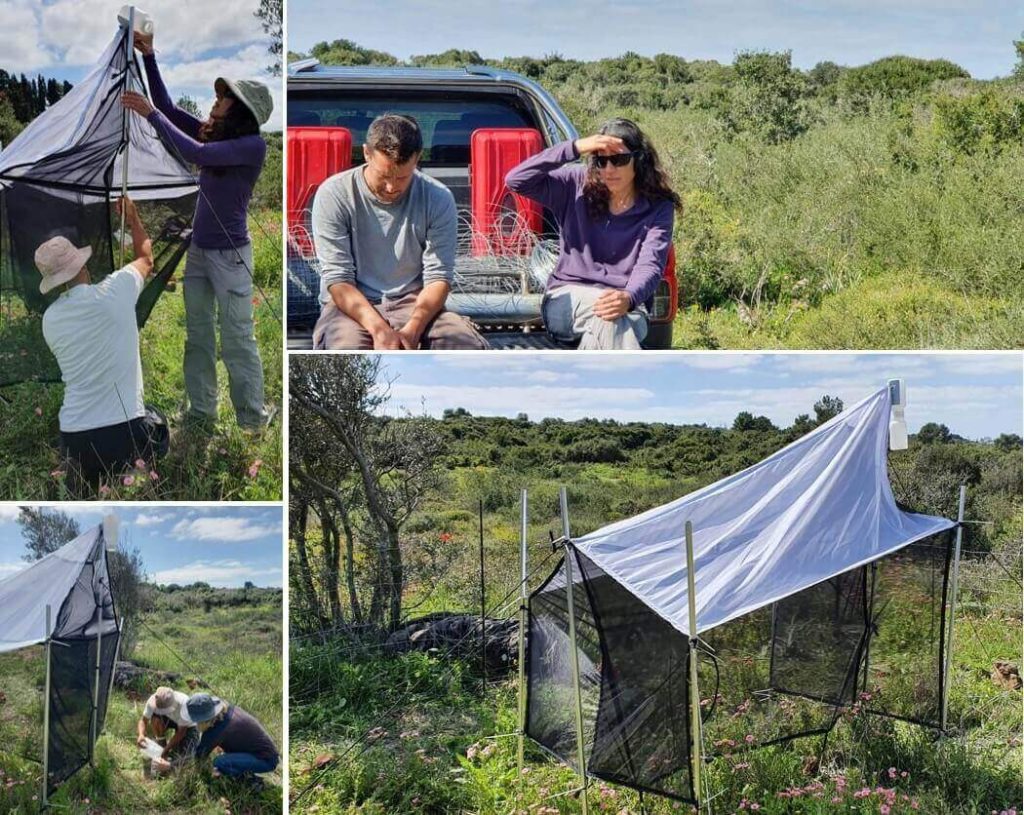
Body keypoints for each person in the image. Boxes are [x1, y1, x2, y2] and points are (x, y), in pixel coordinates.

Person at [122, 29, 272, 430]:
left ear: (239, 109)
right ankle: (201, 413)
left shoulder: (252, 145)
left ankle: (252, 420)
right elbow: (169, 109)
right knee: (199, 337)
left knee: (238, 339)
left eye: (223, 97)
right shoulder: (215, 133)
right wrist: (150, 56)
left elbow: (195, 153)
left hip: (231, 257)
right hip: (200, 253)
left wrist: (149, 115)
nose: (215, 100)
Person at [310, 113, 488, 350]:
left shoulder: (438, 197)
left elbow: (438, 277)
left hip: (416, 303)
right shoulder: (334, 193)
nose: (392, 187)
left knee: (464, 346)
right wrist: (379, 330)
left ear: (417, 159)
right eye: (383, 176)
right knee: (346, 348)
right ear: (366, 153)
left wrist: (414, 329)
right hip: (351, 307)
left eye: (403, 177)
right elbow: (338, 279)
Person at [505, 118, 681, 349]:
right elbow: (516, 180)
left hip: (627, 305)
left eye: (618, 160)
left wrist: (628, 297)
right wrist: (574, 147)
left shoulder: (658, 206)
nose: (609, 169)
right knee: (611, 320)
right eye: (601, 160)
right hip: (567, 299)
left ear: (639, 160)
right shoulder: (575, 184)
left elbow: (650, 264)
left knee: (609, 323)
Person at [38, 196, 169, 494]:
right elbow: (147, 258)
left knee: (81, 492)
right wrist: (134, 219)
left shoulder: (50, 320)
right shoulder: (116, 289)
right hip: (124, 432)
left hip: (74, 439)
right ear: (81, 263)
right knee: (157, 426)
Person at [185, 692, 279, 780]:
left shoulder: (216, 731)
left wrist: (180, 763)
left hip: (265, 760)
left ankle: (249, 780)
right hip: (267, 752)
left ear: (203, 720)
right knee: (223, 756)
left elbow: (200, 755)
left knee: (220, 762)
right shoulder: (228, 710)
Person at [136, 686, 199, 762]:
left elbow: (181, 732)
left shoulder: (184, 703)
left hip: (188, 726)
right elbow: (143, 720)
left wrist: (166, 749)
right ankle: (161, 742)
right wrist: (141, 735)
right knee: (155, 720)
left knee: (187, 756)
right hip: (170, 720)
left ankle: (167, 750)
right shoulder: (154, 699)